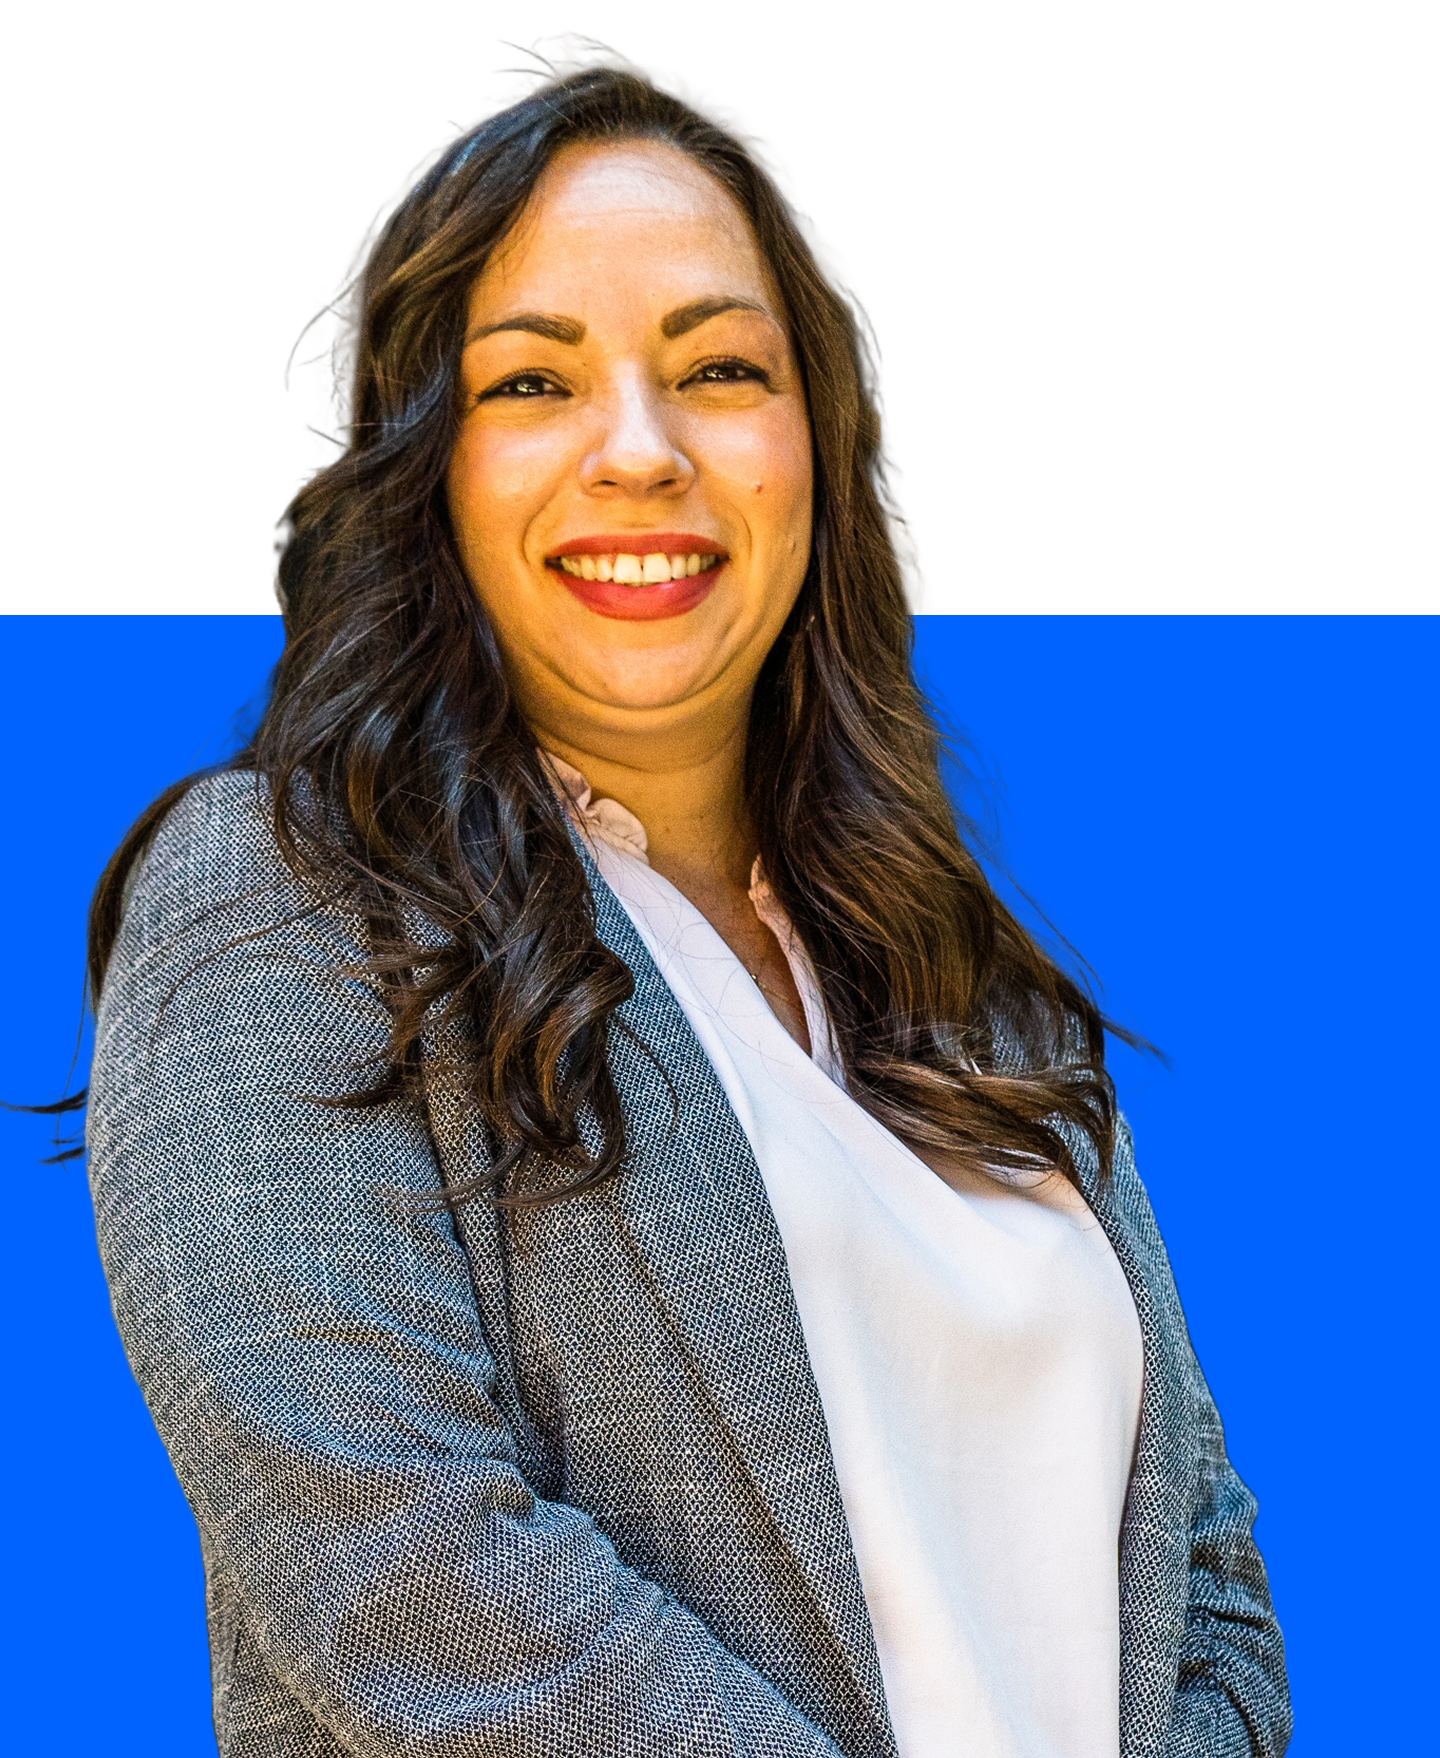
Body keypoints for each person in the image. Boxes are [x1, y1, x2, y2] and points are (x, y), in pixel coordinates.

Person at [82, 35, 1290, 1758]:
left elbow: (1209, 1584)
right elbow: (402, 1575)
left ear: (819, 443)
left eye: (719, 368)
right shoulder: (282, 897)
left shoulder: (961, 977)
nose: (638, 450)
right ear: (428, 473)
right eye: (532, 384)